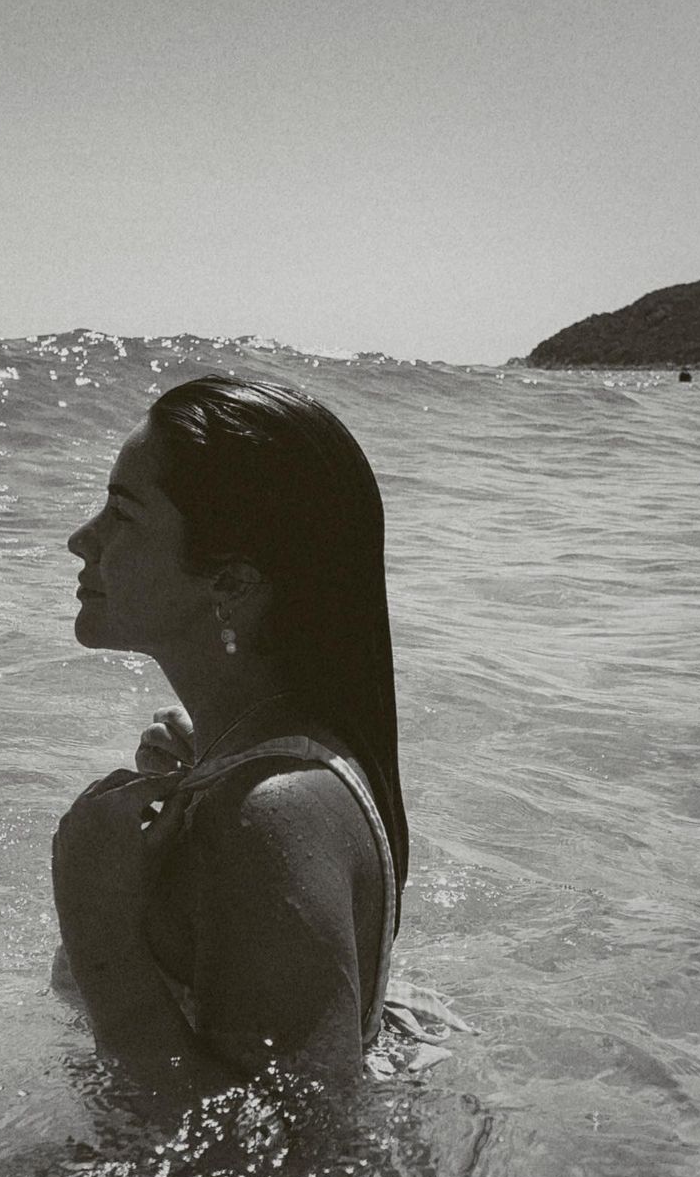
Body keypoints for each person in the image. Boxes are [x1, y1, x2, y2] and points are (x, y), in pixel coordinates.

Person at [52, 376, 463, 1108]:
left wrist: (101, 933)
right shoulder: (259, 777)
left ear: (232, 585)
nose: (82, 539)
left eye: (123, 513)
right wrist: (213, 773)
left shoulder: (274, 811)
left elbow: (300, 1163)